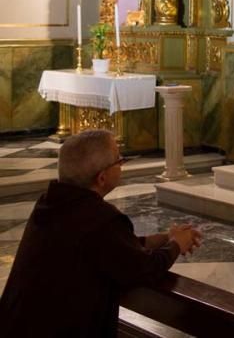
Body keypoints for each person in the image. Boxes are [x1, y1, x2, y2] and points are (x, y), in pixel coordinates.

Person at [0, 129, 202, 337]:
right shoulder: (99, 218)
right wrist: (177, 244)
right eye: (118, 160)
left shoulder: (51, 202)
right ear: (102, 178)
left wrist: (165, 238)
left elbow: (110, 247)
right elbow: (145, 270)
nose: (121, 164)